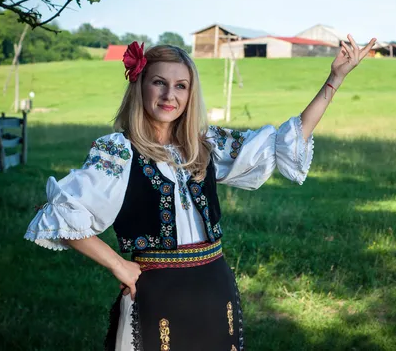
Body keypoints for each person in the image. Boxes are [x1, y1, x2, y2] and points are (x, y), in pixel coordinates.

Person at [24, 34, 376, 350]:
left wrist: (335, 79)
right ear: (140, 84)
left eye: (181, 86)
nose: (169, 95)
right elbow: (60, 214)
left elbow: (280, 143)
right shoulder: (118, 151)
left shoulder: (204, 145)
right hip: (157, 290)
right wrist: (121, 267)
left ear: (191, 93)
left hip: (213, 284)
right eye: (159, 82)